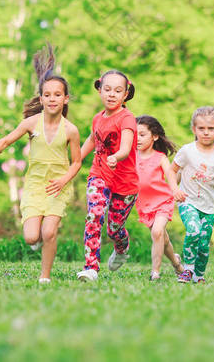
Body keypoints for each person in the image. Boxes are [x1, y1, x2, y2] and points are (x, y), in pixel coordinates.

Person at [0, 45, 81, 283]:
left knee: (49, 232)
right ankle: (39, 244)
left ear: (65, 98)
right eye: (47, 95)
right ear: (41, 98)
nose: (52, 99)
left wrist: (64, 180)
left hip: (58, 187)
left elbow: (77, 162)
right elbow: (6, 139)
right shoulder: (31, 123)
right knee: (30, 237)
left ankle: (44, 276)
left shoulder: (71, 130)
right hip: (35, 186)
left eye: (57, 95)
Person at [76, 70, 139, 282]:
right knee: (94, 214)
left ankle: (121, 247)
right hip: (99, 174)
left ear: (125, 94)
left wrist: (117, 156)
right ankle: (91, 267)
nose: (112, 94)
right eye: (107, 89)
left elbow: (126, 147)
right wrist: (74, 160)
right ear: (99, 90)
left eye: (118, 91)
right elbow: (92, 141)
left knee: (114, 228)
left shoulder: (127, 118)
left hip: (125, 182)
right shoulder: (97, 119)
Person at [170, 106, 214, 283]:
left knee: (203, 245)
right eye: (201, 128)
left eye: (211, 129)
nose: (206, 133)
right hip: (188, 201)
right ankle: (188, 269)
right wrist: (175, 190)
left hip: (209, 207)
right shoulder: (187, 151)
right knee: (193, 231)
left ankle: (199, 275)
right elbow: (171, 171)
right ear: (194, 129)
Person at [135, 115, 184, 280]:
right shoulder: (131, 157)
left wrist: (175, 189)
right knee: (162, 238)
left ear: (154, 136)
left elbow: (170, 175)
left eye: (142, 135)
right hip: (144, 204)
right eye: (135, 135)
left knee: (157, 232)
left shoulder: (160, 158)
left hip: (163, 201)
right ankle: (177, 264)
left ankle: (155, 272)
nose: (137, 139)